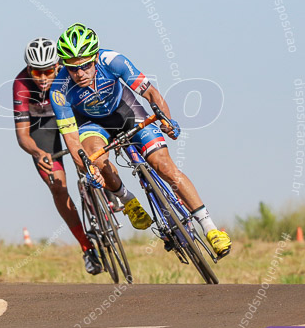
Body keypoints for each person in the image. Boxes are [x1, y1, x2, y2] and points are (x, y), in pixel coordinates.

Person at [50, 24, 232, 258]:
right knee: (97, 159)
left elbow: (151, 94)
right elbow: (72, 139)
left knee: (165, 166)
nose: (80, 73)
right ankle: (128, 200)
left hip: (125, 111)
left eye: (85, 65)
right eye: (73, 68)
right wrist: (87, 168)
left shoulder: (113, 61)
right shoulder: (59, 89)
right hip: (91, 124)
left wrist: (166, 120)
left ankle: (210, 228)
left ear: (95, 57)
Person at [13, 38, 145, 276]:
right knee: (58, 186)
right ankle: (87, 247)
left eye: (48, 71)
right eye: (36, 72)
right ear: (27, 69)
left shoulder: (70, 76)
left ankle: (109, 191)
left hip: (74, 118)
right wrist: (38, 152)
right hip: (42, 129)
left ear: (59, 65)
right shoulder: (21, 84)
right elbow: (23, 136)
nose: (43, 78)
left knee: (90, 154)